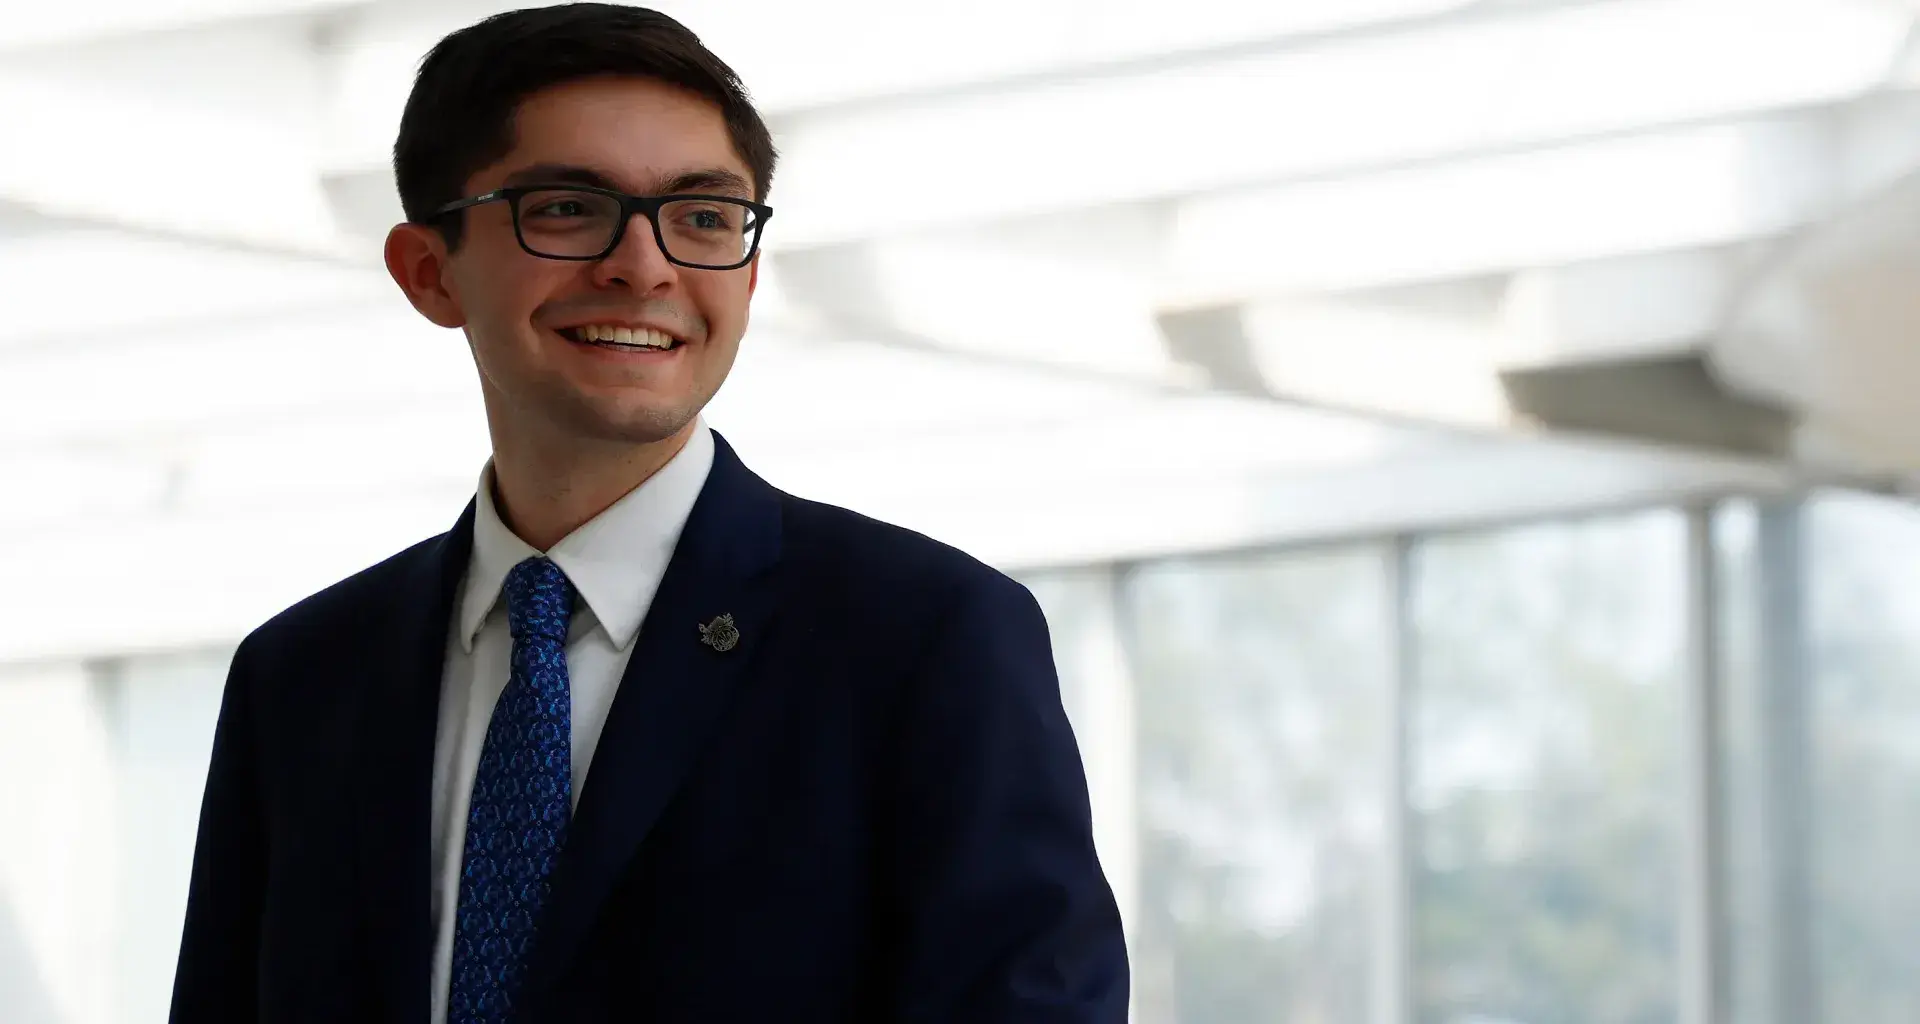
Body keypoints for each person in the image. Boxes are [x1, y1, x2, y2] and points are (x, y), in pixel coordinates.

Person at [167, 4, 1127, 1023]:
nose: (646, 265)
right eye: (571, 208)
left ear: (749, 273)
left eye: (705, 217)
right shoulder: (302, 677)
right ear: (429, 270)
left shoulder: (924, 637)